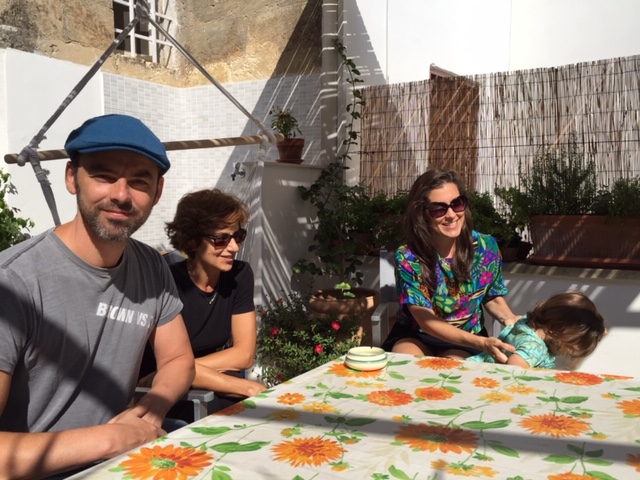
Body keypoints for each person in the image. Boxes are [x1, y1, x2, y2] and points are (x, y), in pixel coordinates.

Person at [0, 114, 195, 479]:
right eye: (104, 176)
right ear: (72, 178)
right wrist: (109, 440)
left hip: (121, 466)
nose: (121, 195)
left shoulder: (151, 267)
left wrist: (151, 409)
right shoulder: (13, 282)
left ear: (157, 192)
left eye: (139, 181)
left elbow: (179, 358)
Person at [139, 188, 266, 421]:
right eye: (221, 239)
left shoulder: (239, 276)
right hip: (168, 396)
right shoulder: (167, 283)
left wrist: (180, 369)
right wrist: (245, 387)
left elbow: (244, 355)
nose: (234, 247)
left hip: (208, 384)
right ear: (192, 240)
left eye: (238, 236)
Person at [381, 169, 519, 362]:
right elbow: (426, 320)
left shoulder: (485, 247)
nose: (451, 215)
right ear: (422, 214)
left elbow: (492, 296)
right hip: (417, 334)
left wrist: (509, 319)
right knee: (407, 362)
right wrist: (482, 343)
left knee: (453, 368)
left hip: (466, 338)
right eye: (439, 209)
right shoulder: (409, 256)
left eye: (457, 204)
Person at [467, 291, 606, 368]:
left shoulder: (526, 322)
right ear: (560, 333)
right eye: (569, 351)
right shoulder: (534, 349)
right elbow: (513, 370)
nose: (565, 355)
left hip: (473, 366)